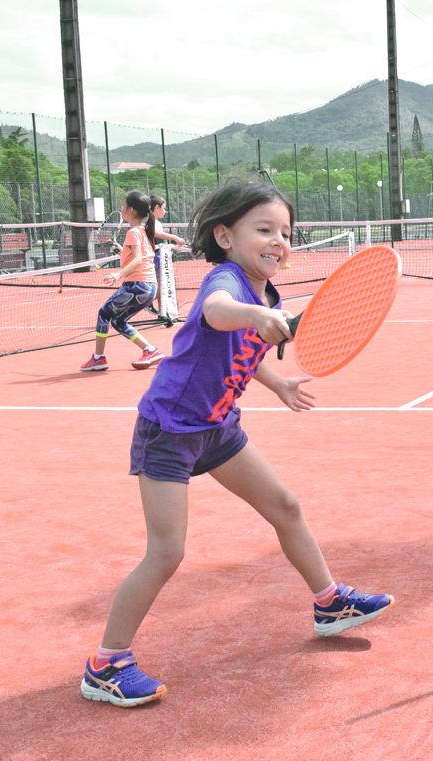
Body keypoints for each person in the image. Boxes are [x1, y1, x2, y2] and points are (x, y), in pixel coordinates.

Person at [80, 180, 393, 707]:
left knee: (285, 506)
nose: (278, 241)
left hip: (218, 426)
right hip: (171, 430)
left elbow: (241, 349)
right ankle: (106, 664)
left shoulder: (266, 293)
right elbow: (217, 313)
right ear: (225, 235)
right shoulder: (227, 282)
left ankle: (329, 602)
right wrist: (254, 315)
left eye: (285, 233)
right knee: (166, 552)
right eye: (264, 229)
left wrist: (277, 382)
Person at [80, 190, 165, 372]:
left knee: (103, 313)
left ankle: (98, 358)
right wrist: (121, 251)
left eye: (124, 205)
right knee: (118, 321)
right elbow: (138, 256)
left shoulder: (133, 232)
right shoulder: (145, 231)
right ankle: (150, 350)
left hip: (137, 285)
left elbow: (138, 260)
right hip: (149, 288)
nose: (121, 208)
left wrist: (118, 275)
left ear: (131, 210)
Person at [147, 195, 187, 314]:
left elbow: (160, 243)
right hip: (153, 259)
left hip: (159, 257)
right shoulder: (149, 221)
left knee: (161, 285)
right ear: (157, 207)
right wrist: (174, 237)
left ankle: (162, 313)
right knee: (160, 285)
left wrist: (175, 247)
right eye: (164, 208)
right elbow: (156, 233)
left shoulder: (155, 222)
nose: (165, 211)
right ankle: (146, 302)